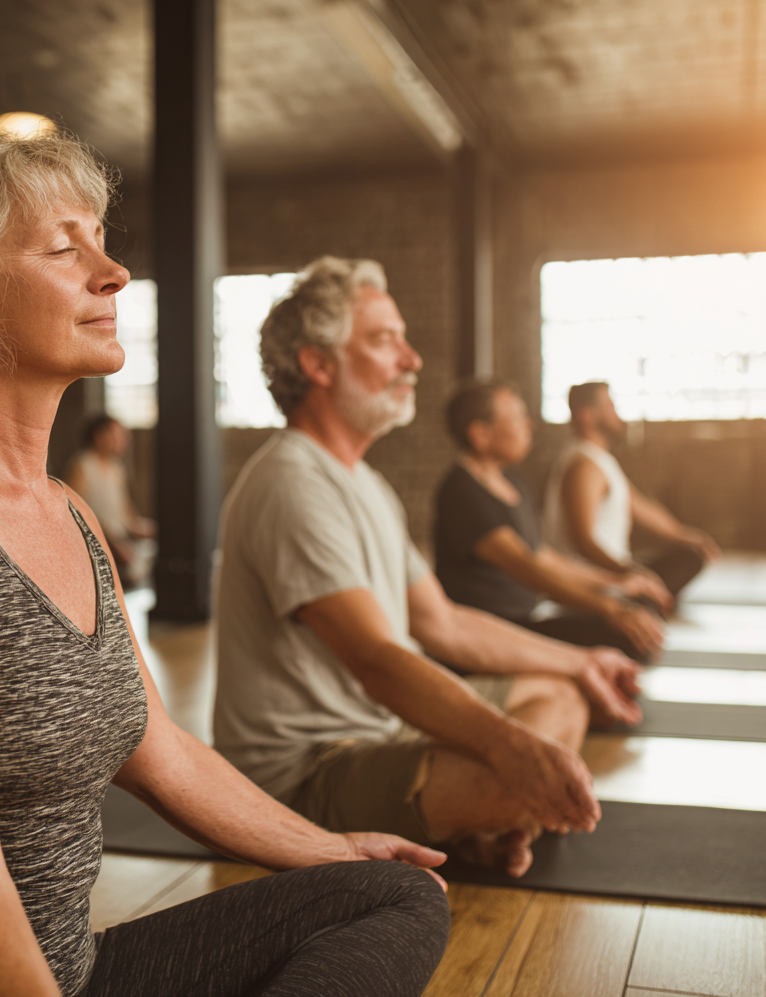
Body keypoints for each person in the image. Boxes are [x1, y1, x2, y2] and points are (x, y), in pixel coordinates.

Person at [0, 125, 452, 997]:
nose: (113, 271)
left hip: (66, 973)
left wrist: (332, 849)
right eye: (63, 246)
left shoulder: (73, 516)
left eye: (99, 238)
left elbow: (155, 746)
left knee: (390, 896)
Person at [214, 257, 640, 881]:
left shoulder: (367, 484)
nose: (412, 360)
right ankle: (479, 817)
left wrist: (581, 659)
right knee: (532, 760)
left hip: (380, 734)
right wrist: (511, 749)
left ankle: (474, 824)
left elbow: (443, 623)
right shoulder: (291, 483)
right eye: (385, 340)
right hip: (305, 778)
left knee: (563, 694)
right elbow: (378, 661)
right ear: (319, 363)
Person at [434, 379, 669, 661]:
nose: (529, 425)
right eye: (518, 417)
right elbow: (525, 566)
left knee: (640, 609)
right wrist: (608, 607)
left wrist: (617, 582)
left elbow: (543, 556)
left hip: (527, 617)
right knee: (622, 634)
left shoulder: (514, 482)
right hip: (491, 631)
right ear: (481, 434)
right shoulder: (462, 492)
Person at [544, 381, 720, 597]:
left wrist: (688, 536)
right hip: (592, 581)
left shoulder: (600, 460)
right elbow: (584, 544)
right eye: (609, 407)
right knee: (654, 587)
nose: (617, 413)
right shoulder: (584, 466)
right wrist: (631, 573)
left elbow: (642, 507)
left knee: (688, 556)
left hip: (614, 566)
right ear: (587, 416)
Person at [65, 414, 155, 588]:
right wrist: (113, 543)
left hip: (121, 541)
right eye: (117, 435)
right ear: (99, 436)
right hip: (99, 543)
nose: (124, 441)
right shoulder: (82, 466)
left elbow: (127, 515)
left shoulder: (117, 468)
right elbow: (74, 514)